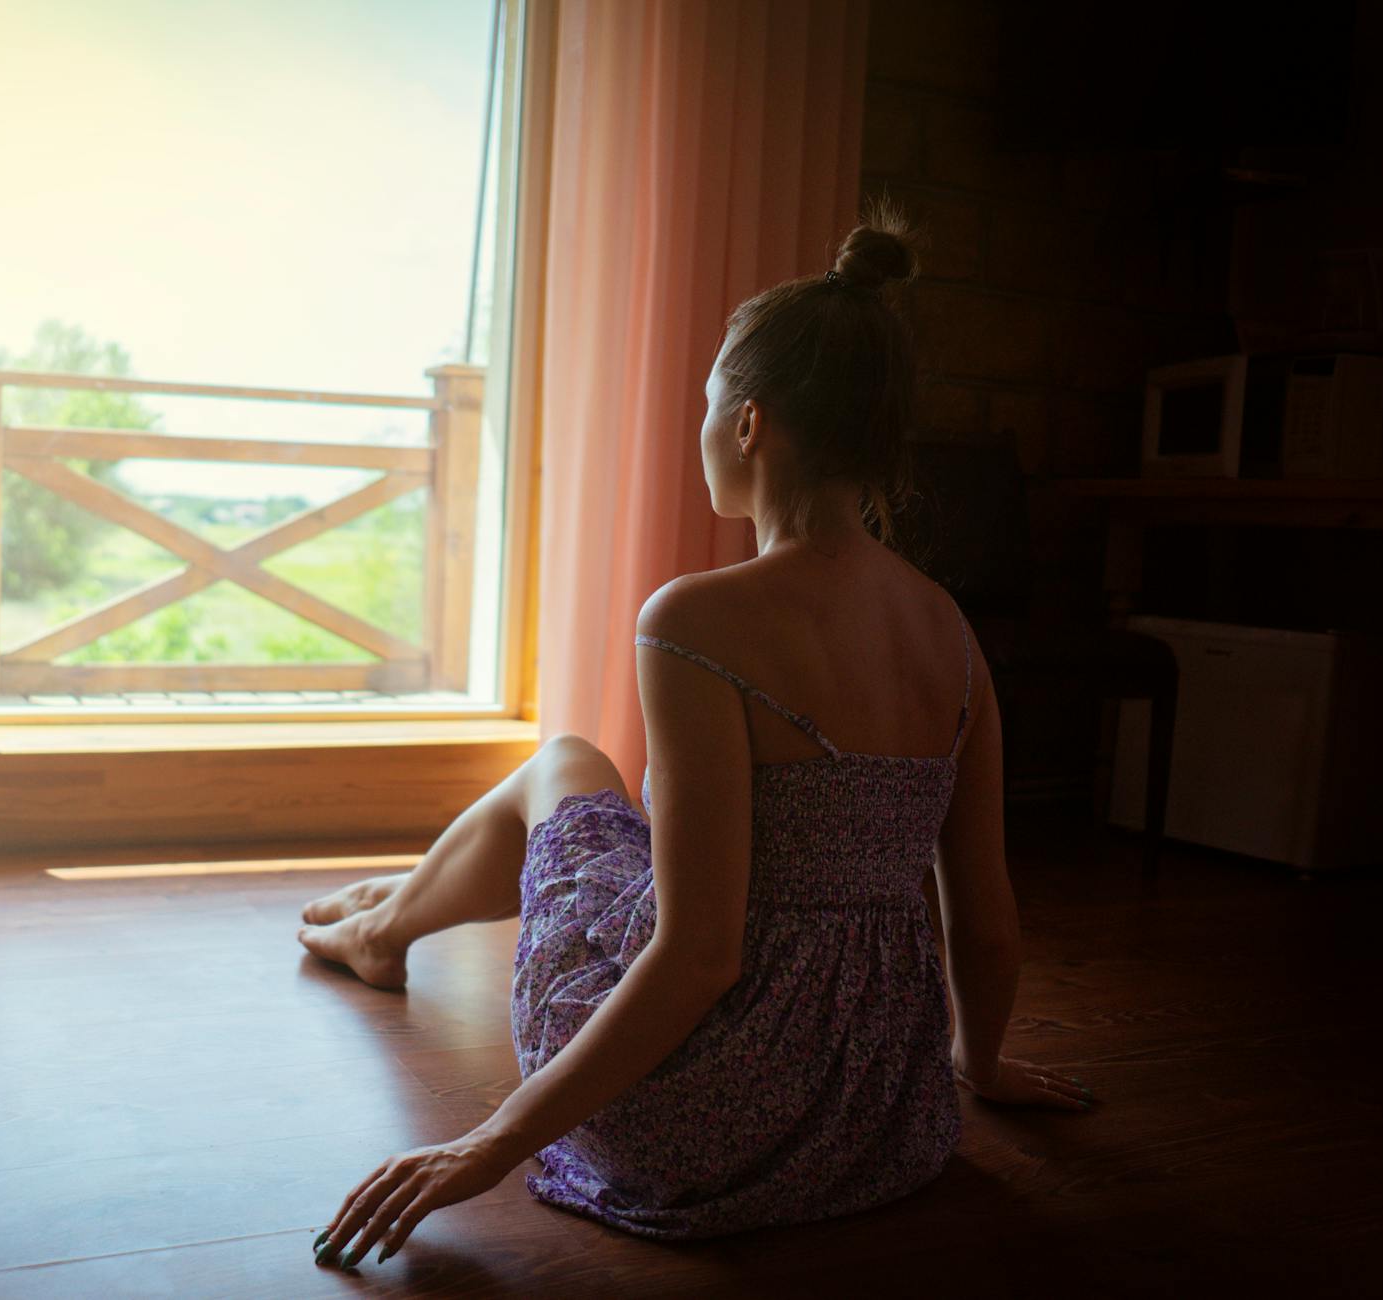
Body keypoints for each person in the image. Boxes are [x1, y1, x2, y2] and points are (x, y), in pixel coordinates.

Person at [297, 203, 1094, 1272]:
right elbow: (986, 916)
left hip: (688, 1111)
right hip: (877, 1122)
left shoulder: (695, 620)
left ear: (751, 423)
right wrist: (977, 1063)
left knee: (567, 765)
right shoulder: (948, 630)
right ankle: (387, 914)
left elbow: (701, 953)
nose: (706, 421)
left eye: (710, 399)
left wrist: (489, 1144)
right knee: (586, 805)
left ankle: (385, 926)